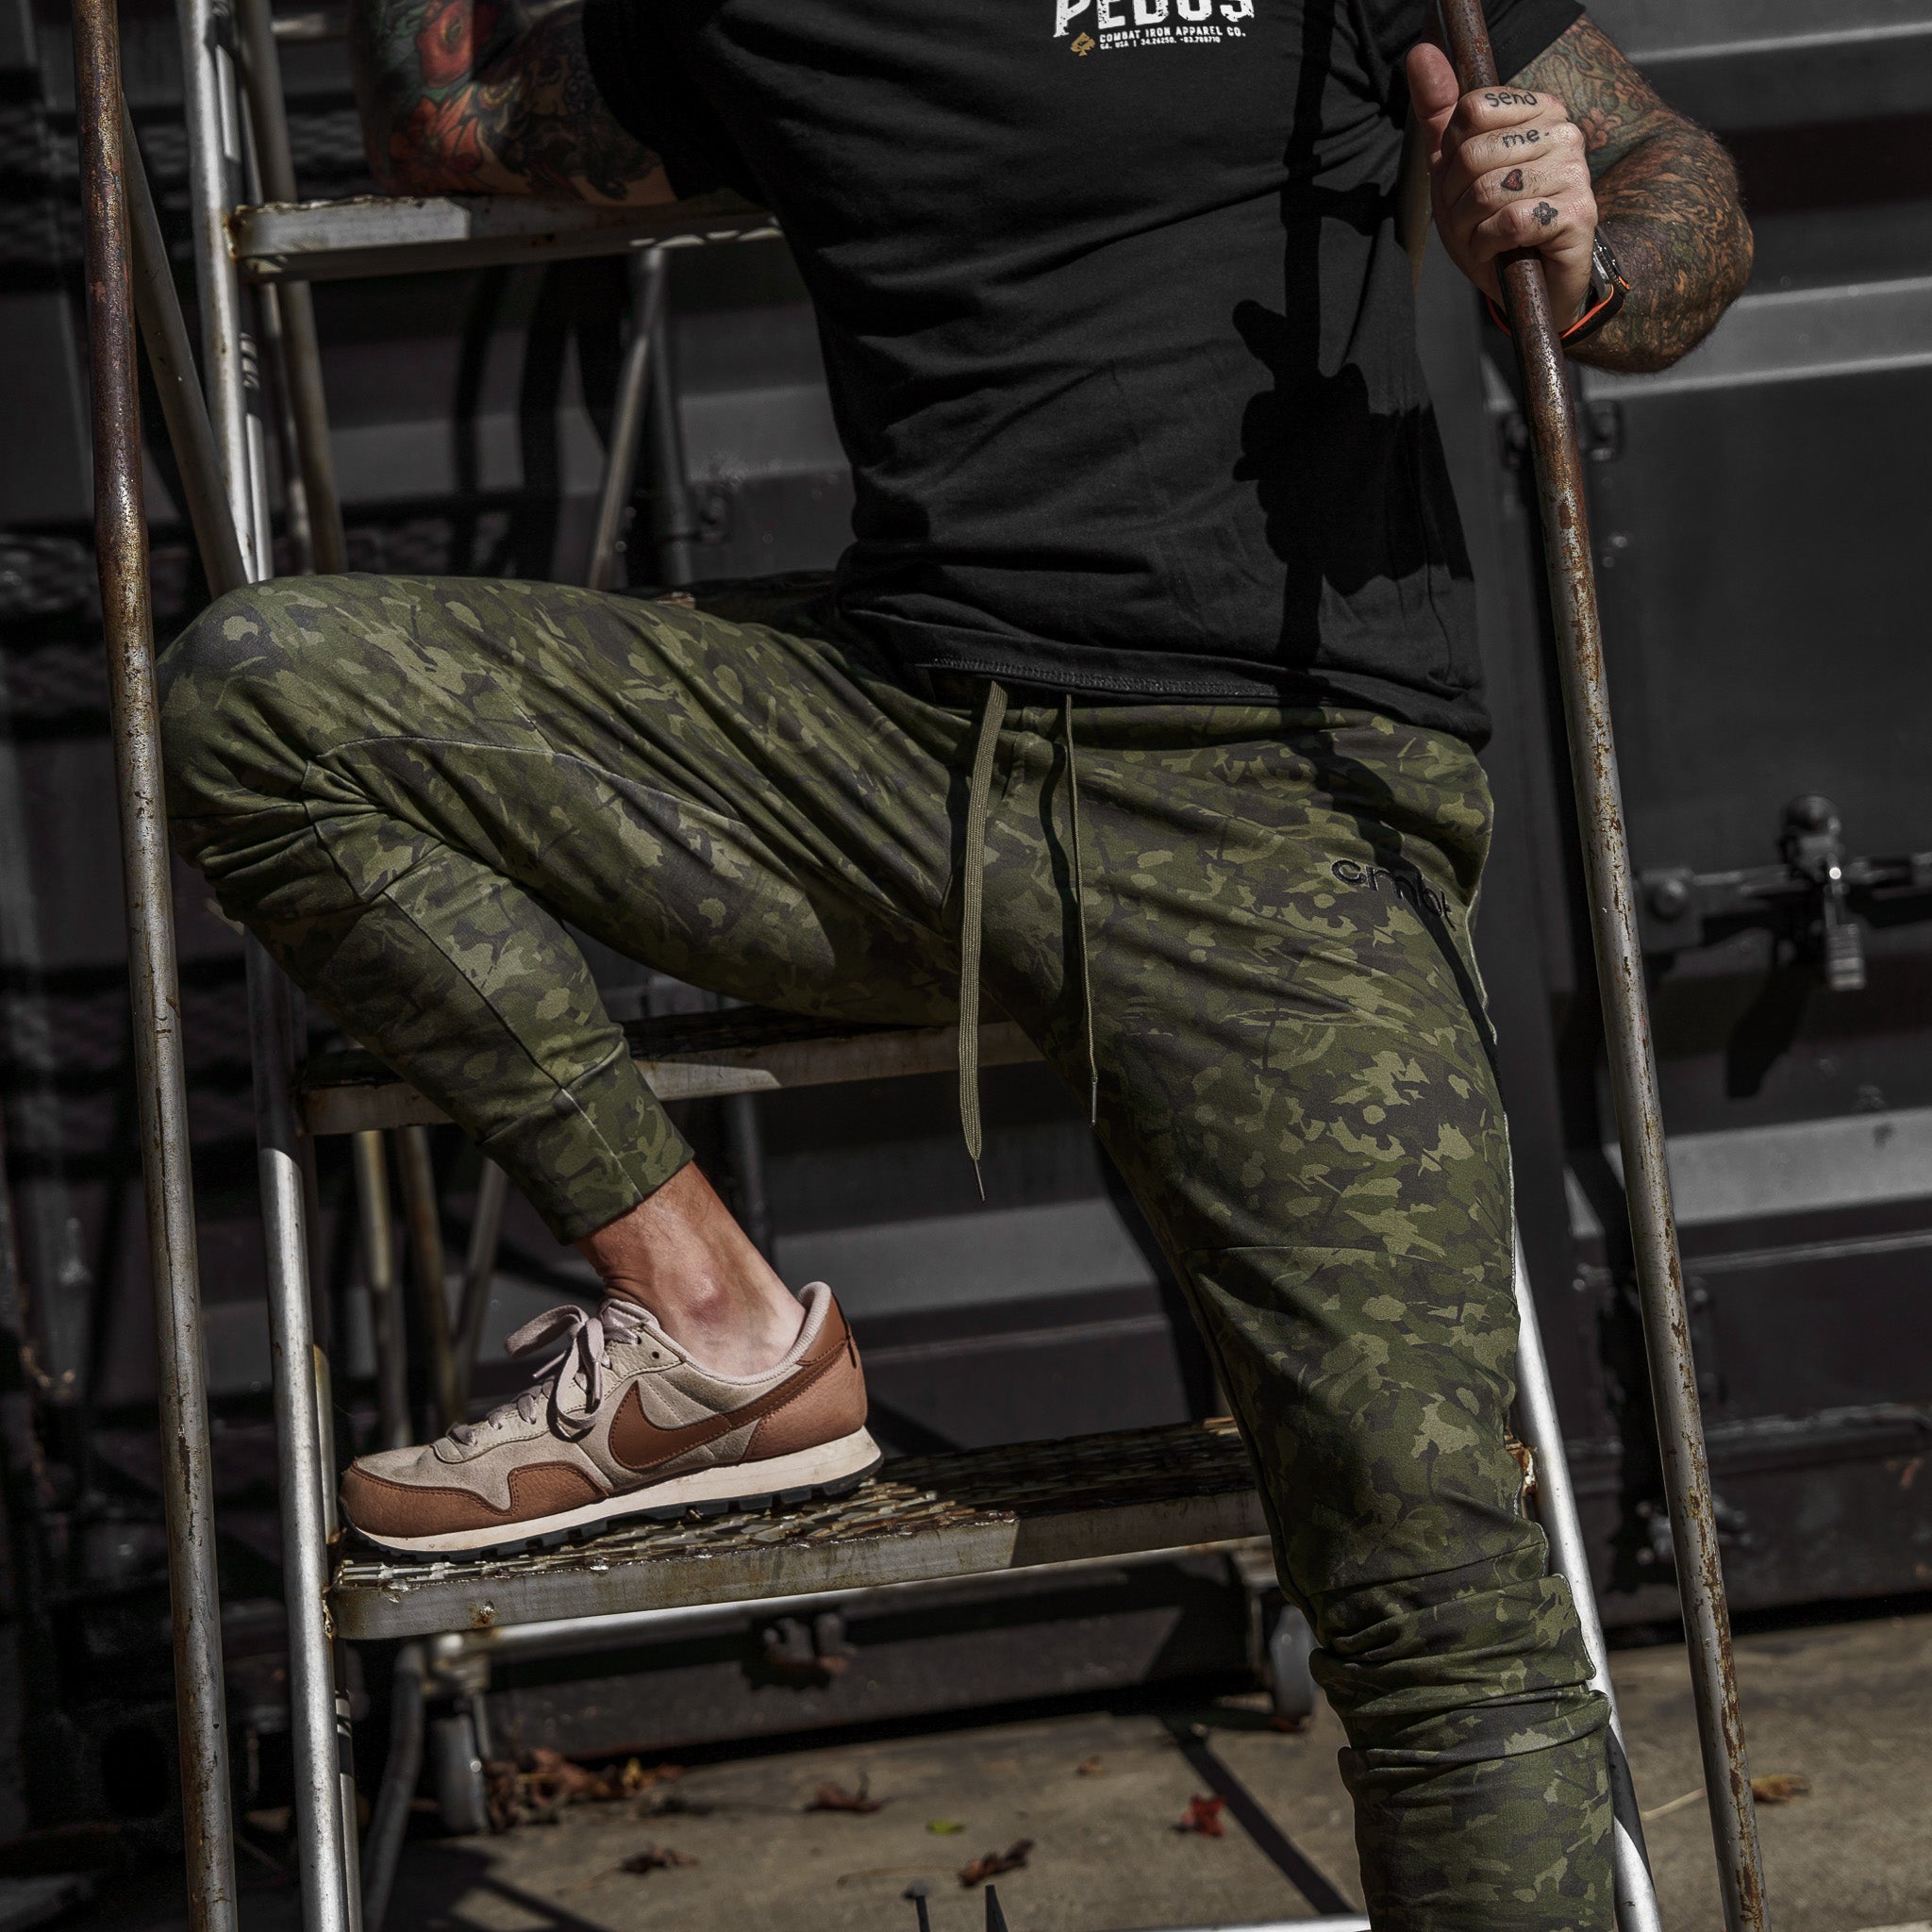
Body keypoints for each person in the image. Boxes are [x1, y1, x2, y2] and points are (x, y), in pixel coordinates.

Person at [160, 1, 1749, 1921]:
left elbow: (1672, 186)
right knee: (265, 697)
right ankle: (716, 1324)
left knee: (1444, 1604)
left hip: (1277, 805)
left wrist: (1581, 249)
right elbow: (445, 116)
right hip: (900, 769)